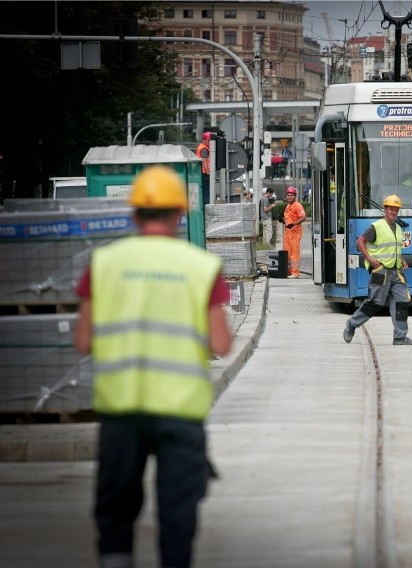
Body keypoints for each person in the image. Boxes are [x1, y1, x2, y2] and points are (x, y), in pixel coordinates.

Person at [74, 165, 232, 568]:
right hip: (179, 412)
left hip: (121, 410)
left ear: (134, 214)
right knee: (178, 511)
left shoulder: (104, 263)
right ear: (180, 214)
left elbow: (82, 341)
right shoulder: (201, 267)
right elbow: (221, 343)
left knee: (116, 508)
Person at [343, 194, 412, 346]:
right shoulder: (376, 226)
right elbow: (360, 241)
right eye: (391, 209)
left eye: (396, 210)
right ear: (385, 209)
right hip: (381, 272)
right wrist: (369, 259)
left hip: (396, 272)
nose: (394, 212)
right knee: (375, 303)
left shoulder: (397, 227)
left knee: (401, 302)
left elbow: (394, 247)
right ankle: (352, 324)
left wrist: (401, 260)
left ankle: (400, 337)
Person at [282, 185, 307, 279]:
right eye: (288, 195)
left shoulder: (297, 205)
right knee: (287, 253)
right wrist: (283, 220)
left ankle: (295, 273)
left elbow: (303, 217)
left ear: (295, 196)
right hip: (288, 233)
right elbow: (288, 218)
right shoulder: (288, 206)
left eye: (291, 195)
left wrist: (294, 224)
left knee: (294, 254)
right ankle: (289, 271)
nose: (289, 197)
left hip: (295, 233)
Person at [195, 132, 212, 206]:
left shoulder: (201, 146)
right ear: (204, 140)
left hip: (202, 172)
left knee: (205, 192)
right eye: (209, 141)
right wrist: (208, 172)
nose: (210, 143)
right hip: (204, 173)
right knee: (206, 193)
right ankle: (206, 208)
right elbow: (204, 160)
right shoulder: (204, 148)